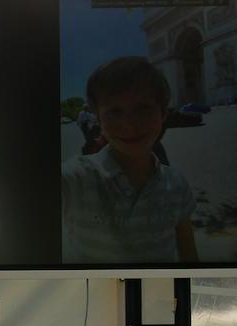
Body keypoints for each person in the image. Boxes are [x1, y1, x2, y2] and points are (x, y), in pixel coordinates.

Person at [61, 56, 197, 265]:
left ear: (163, 113)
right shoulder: (76, 177)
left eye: (143, 108)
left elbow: (189, 256)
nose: (130, 125)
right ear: (99, 120)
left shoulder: (178, 184)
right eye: (114, 112)